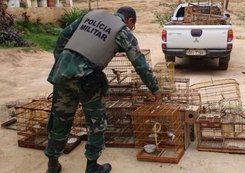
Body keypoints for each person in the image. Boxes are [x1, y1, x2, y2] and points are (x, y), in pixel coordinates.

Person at [44, 6, 161, 173]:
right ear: (130, 21)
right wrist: (155, 89)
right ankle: (92, 167)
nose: (130, 28)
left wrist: (62, 62)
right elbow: (139, 63)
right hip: (87, 80)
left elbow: (63, 36)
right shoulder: (122, 30)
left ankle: (52, 166)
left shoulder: (90, 16)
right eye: (132, 26)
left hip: (62, 74)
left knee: (60, 120)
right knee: (96, 122)